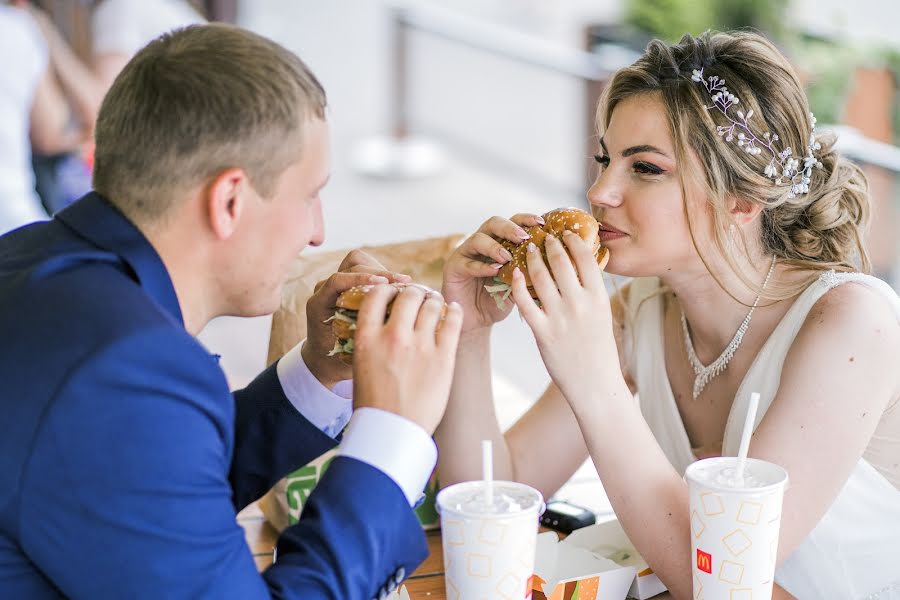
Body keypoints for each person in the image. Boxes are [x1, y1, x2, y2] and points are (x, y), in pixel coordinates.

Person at [0, 23, 463, 599]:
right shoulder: (122, 367)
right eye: (309, 196)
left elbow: (153, 491)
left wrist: (317, 375)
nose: (318, 234)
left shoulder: (29, 258)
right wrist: (392, 432)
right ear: (229, 200)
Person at [437, 31, 900, 599]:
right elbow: (489, 494)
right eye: (605, 159)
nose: (599, 191)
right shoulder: (642, 311)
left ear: (743, 199)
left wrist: (593, 376)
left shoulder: (853, 322)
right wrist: (469, 330)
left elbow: (719, 579)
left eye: (646, 169)